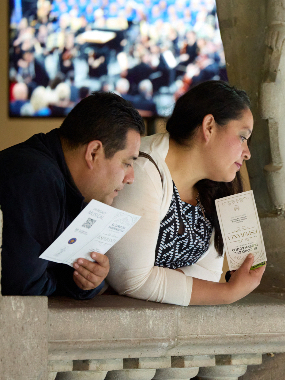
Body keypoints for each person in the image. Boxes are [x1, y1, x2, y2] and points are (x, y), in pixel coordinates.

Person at [106, 80, 266, 306]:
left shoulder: (214, 187)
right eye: (242, 137)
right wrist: (227, 293)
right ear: (209, 126)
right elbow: (132, 279)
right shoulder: (142, 169)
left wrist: (161, 280)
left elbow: (208, 275)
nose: (247, 153)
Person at [0, 91, 145, 297]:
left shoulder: (75, 186)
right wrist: (64, 281)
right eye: (127, 163)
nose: (131, 178)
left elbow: (54, 275)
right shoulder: (35, 178)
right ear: (93, 152)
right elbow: (24, 290)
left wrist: (86, 280)